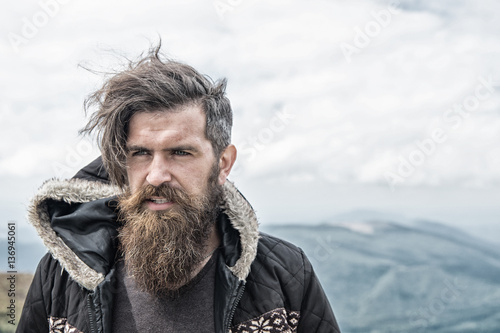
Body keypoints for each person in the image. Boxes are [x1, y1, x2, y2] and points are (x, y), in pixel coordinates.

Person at [18, 45, 341, 333]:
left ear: (223, 163)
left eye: (181, 153)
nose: (156, 176)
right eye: (140, 153)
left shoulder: (284, 270)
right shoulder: (64, 274)